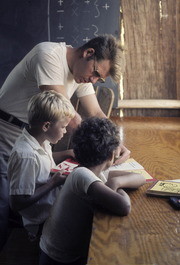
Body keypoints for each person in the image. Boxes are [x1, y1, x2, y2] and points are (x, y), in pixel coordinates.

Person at [0, 34, 130, 250]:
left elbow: (96, 111)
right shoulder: (48, 55)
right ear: (88, 53)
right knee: (3, 206)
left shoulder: (81, 72)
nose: (94, 81)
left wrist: (116, 140)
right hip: (6, 131)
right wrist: (104, 145)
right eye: (96, 73)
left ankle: (28, 243)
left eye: (100, 79)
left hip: (35, 139)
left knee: (27, 196)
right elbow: (67, 116)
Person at [39, 117, 145, 265]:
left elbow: (140, 178)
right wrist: (115, 183)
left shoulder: (92, 169)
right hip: (58, 258)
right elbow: (124, 206)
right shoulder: (81, 175)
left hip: (65, 251)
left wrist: (116, 182)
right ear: (111, 156)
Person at [7, 90, 75, 239]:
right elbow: (17, 203)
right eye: (63, 127)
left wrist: (67, 153)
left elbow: (43, 162)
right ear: (46, 126)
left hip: (51, 210)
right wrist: (53, 183)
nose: (65, 131)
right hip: (41, 222)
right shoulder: (27, 156)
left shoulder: (41, 140)